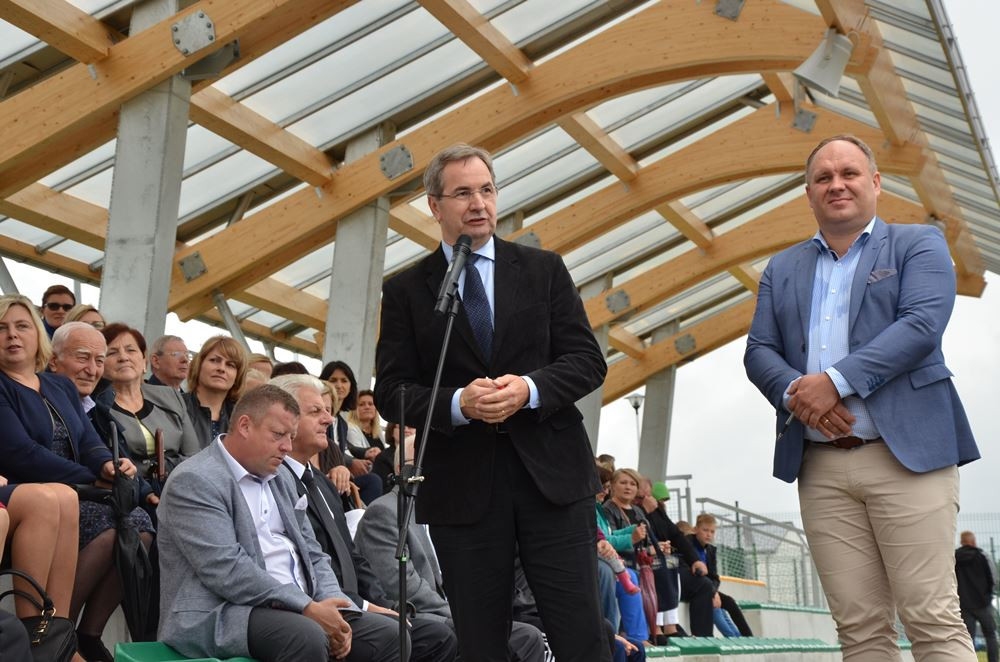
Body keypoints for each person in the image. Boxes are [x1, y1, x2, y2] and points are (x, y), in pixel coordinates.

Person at [745, 134, 980, 661]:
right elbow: (759, 350)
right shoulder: (781, 268)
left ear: (875, 183)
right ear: (808, 194)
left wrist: (833, 381)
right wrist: (798, 395)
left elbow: (920, 325)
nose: (836, 185)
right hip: (822, 468)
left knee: (931, 618)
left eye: (849, 173)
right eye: (823, 178)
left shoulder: (918, 244)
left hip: (908, 457)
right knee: (859, 628)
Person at [375, 143, 609, 662]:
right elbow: (392, 391)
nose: (478, 202)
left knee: (580, 632)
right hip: (464, 488)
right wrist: (459, 402)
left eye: (486, 189)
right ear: (434, 206)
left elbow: (588, 361)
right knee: (480, 641)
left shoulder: (543, 269)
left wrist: (528, 390)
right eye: (462, 193)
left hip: (553, 480)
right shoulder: (408, 290)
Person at [156, 384, 398, 662]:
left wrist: (336, 608)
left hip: (300, 607)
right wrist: (306, 606)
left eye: (291, 436)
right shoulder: (195, 480)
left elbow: (314, 553)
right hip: (224, 611)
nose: (287, 446)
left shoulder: (280, 476)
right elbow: (227, 569)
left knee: (389, 635)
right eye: (279, 435)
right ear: (245, 426)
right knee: (306, 635)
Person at [0, 294, 150, 662]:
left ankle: (60, 636)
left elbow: (87, 439)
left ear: (37, 335)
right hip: (28, 483)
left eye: (21, 326)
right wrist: (91, 481)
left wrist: (107, 466)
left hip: (71, 488)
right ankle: (37, 633)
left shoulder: (58, 386)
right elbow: (20, 453)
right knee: (56, 497)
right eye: (1, 328)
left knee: (134, 520)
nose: (12, 336)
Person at [270, 374, 459, 662]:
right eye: (315, 411)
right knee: (422, 635)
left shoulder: (322, 483)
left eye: (328, 411)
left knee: (433, 633)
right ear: (284, 418)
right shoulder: (271, 483)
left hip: (353, 606)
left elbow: (353, 559)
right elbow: (303, 564)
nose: (329, 420)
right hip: (314, 608)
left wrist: (380, 605)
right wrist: (362, 606)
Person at [354, 437, 546, 662]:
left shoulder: (446, 511)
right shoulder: (384, 513)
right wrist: (465, 614)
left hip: (456, 613)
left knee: (531, 629)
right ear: (401, 469)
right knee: (524, 637)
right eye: (426, 461)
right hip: (427, 618)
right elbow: (404, 588)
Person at [101, 324, 200, 495]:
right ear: (100, 364)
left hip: (180, 487)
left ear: (144, 362)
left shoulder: (171, 396)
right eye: (112, 352)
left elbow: (194, 456)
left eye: (131, 350)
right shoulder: (97, 407)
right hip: (130, 495)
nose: (123, 357)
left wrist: (166, 470)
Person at [686, 514, 753, 637]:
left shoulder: (710, 550)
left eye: (712, 532)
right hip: (694, 587)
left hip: (709, 588)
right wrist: (712, 593)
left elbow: (714, 577)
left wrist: (714, 592)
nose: (709, 534)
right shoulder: (688, 544)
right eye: (705, 530)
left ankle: (748, 636)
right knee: (715, 608)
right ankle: (733, 638)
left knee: (730, 602)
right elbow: (694, 573)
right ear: (696, 530)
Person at [184, 335, 247, 448]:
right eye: (214, 360)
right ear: (199, 365)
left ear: (238, 376)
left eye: (230, 365)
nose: (221, 369)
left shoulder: (243, 417)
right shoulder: (177, 407)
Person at [956, 531, 998, 662]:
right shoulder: (983, 555)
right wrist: (988, 594)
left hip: (963, 604)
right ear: (973, 541)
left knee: (968, 638)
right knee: (990, 635)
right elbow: (994, 577)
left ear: (962, 542)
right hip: (983, 603)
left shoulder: (954, 557)